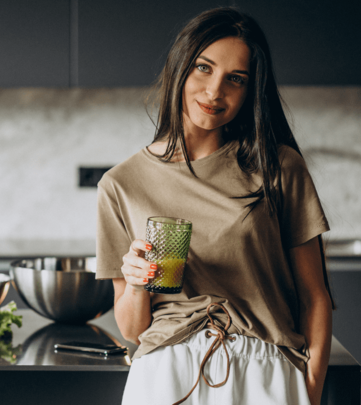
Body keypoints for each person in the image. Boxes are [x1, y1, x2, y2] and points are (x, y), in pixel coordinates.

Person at [95, 7, 333, 405]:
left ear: (250, 90)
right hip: (165, 376)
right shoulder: (120, 185)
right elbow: (133, 331)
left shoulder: (278, 167)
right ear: (180, 68)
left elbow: (316, 297)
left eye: (235, 79)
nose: (214, 92)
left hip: (265, 370)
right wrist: (136, 283)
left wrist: (310, 388)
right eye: (203, 68)